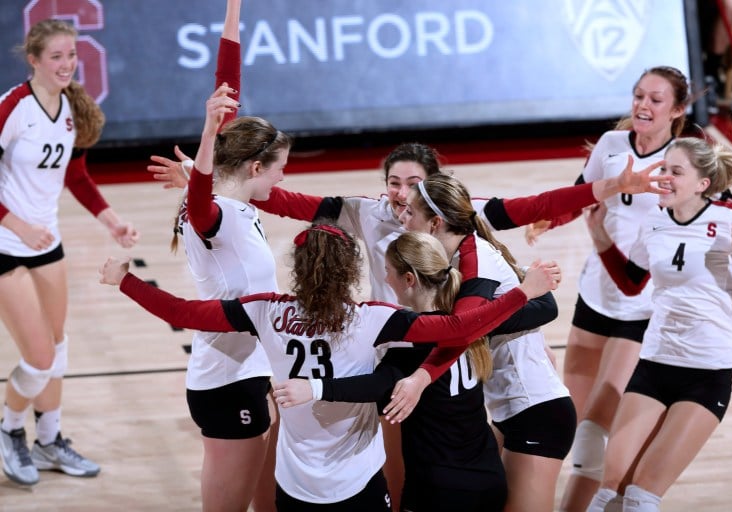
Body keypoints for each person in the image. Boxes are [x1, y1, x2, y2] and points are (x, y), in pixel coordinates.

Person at [148, 130, 672, 510]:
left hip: (442, 359)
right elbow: (286, 200)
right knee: (401, 466)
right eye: (393, 182)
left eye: (412, 185)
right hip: (399, 353)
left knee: (452, 460)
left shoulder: (461, 224)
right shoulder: (370, 212)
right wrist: (214, 184)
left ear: (435, 197)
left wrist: (602, 190)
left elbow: (534, 205)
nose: (400, 195)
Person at [98, 221, 560, 511]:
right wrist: (525, 291)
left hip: (296, 484)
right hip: (358, 482)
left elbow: (180, 312)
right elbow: (461, 327)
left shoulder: (264, 311)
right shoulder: (374, 318)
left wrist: (125, 280)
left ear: (298, 267)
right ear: (351, 269)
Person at [525, 65, 693, 512]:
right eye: (638, 95)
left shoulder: (683, 162)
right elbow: (585, 191)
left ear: (677, 110)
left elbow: (637, 278)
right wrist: (551, 216)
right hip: (595, 297)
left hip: (643, 309)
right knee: (568, 421)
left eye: (656, 99)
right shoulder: (612, 145)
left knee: (595, 432)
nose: (642, 105)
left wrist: (599, 239)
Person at [584, 134, 732, 512]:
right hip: (655, 363)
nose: (664, 176)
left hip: (707, 369)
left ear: (703, 184)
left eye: (675, 171)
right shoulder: (655, 220)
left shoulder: (728, 219)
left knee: (641, 495)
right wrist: (600, 235)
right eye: (664, 168)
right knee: (609, 491)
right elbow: (632, 282)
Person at [272, 230, 510, 512]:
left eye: (388, 272)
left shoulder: (408, 346)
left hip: (438, 488)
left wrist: (315, 387)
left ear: (409, 279)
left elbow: (377, 387)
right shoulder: (472, 324)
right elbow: (541, 308)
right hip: (487, 475)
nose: (385, 280)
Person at [0, 19, 139, 486]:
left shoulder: (71, 110)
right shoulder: (13, 107)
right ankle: (9, 428)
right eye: (56, 56)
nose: (66, 64)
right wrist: (16, 223)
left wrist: (112, 220)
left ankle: (50, 440)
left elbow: (75, 177)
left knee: (57, 351)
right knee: (38, 357)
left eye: (72, 55)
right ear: (34, 60)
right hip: (5, 245)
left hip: (48, 245)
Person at [386, 173, 573, 512]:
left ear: (435, 223)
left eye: (410, 211)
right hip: (508, 407)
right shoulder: (455, 258)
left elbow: (460, 330)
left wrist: (420, 376)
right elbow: (523, 310)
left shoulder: (476, 257)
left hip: (534, 408)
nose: (402, 217)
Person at [167, 1, 291, 510]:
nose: (283, 177)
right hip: (225, 382)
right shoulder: (213, 213)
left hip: (252, 370)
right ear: (256, 165)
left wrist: (234, 11)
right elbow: (199, 198)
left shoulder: (229, 200)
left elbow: (227, 92)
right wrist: (204, 133)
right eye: (280, 167)